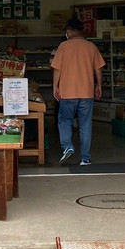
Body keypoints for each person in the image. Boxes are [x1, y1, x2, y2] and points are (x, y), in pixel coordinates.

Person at [50, 17, 105, 166]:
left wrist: (55, 87)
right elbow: (98, 69)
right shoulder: (91, 46)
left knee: (64, 121)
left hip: (67, 92)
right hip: (86, 92)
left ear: (69, 30)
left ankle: (67, 146)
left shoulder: (63, 46)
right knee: (85, 124)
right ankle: (85, 159)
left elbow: (57, 69)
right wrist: (98, 85)